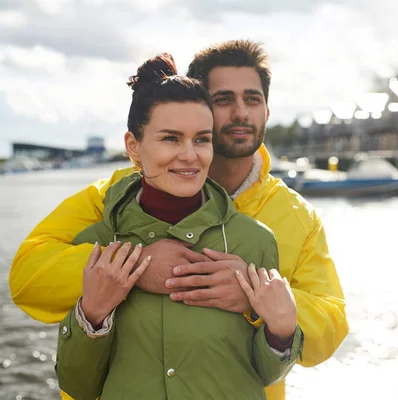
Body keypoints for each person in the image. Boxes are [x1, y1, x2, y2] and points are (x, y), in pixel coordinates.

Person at [10, 40, 348, 400]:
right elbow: (27, 278)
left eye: (253, 99)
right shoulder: (112, 197)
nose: (240, 113)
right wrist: (138, 264)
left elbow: (331, 329)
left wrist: (252, 298)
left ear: (267, 110)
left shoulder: (296, 217)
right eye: (223, 100)